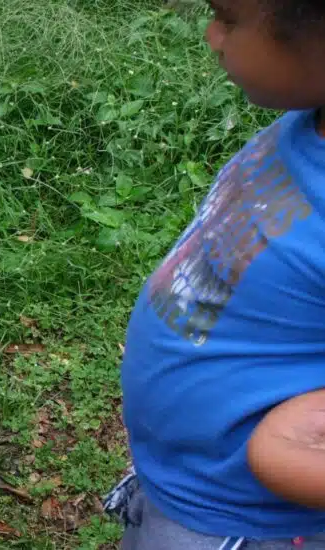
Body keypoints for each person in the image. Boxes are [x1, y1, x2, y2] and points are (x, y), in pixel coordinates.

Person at [104, 1, 325, 547]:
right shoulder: (307, 123)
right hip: (181, 482)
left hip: (236, 520)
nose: (211, 35)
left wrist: (283, 456)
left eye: (228, 18)